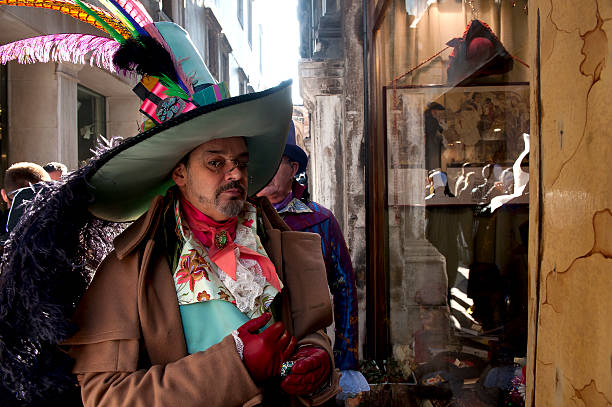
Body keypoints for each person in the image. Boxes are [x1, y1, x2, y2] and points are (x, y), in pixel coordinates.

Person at [0, 18, 339, 407]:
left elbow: (310, 331)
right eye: (216, 163)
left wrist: (317, 357)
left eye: (241, 162)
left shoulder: (273, 241)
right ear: (179, 172)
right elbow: (105, 395)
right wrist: (235, 366)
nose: (235, 173)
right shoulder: (134, 267)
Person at [256, 122, 368, 400]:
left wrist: (346, 359)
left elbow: (344, 287)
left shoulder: (320, 220)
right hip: (255, 354)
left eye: (276, 160)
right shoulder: (239, 220)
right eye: (261, 160)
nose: (266, 169)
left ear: (293, 169)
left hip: (308, 352)